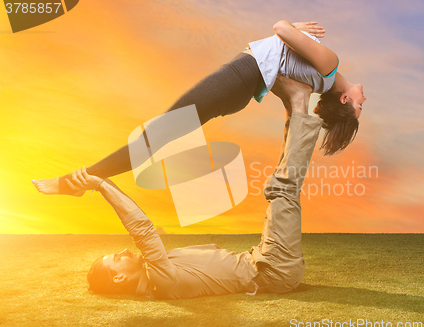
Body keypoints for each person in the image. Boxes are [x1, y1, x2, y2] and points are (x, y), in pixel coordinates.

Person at [58, 76, 326, 298]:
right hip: (273, 269)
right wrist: (101, 185)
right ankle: (300, 101)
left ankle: (294, 108)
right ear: (119, 278)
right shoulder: (162, 281)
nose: (123, 251)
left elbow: (135, 218)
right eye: (116, 258)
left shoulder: (157, 271)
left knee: (278, 187)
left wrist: (100, 182)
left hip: (263, 259)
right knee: (282, 189)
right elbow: (141, 227)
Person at [32, 20, 366, 196]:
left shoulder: (329, 66)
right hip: (237, 88)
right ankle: (81, 181)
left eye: (359, 109)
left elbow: (279, 28)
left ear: (344, 100)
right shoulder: (317, 83)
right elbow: (289, 103)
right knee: (157, 136)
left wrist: (293, 29)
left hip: (236, 80)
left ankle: (73, 182)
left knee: (155, 136)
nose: (364, 102)